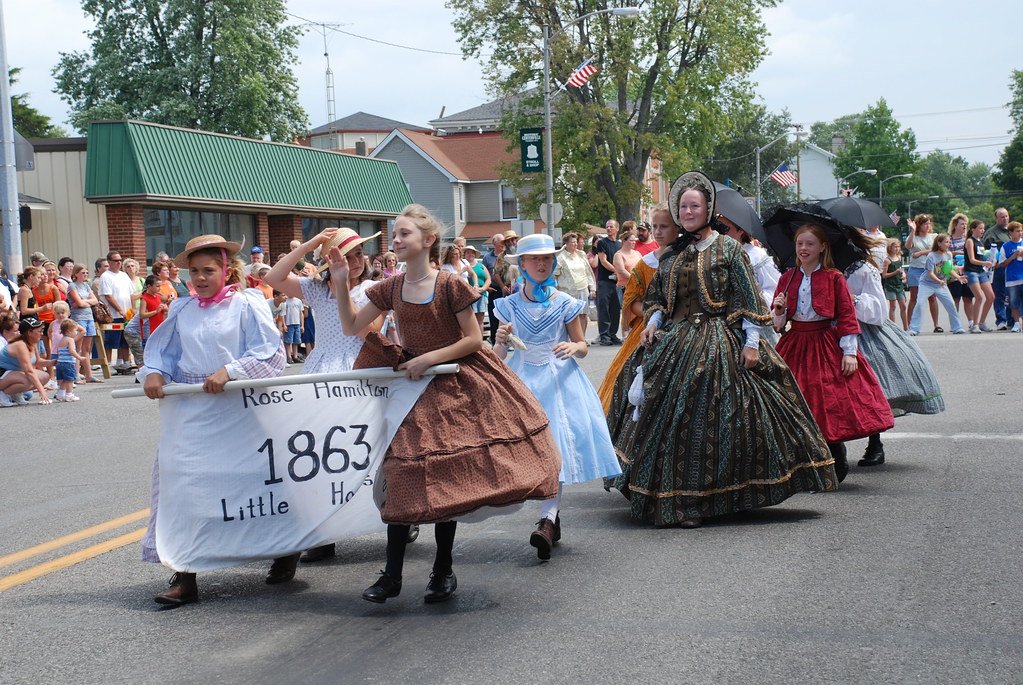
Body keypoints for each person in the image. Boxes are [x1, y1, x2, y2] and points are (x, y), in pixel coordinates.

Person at [328, 203, 560, 604]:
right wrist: (336, 282)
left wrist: (429, 358)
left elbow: (473, 339)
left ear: (428, 240)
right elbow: (351, 326)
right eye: (394, 234)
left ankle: (442, 570)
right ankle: (392, 575)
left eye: (404, 234)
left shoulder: (450, 284)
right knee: (403, 476)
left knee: (448, 479)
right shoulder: (390, 287)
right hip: (411, 392)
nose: (396, 240)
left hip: (453, 384)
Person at [614, 173, 837, 527]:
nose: (688, 212)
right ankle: (677, 500)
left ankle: (713, 499)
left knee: (714, 418)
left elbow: (746, 298)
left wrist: (752, 344)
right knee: (665, 416)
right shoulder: (673, 253)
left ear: (708, 210)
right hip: (675, 341)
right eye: (683, 206)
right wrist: (653, 324)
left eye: (694, 206)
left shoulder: (729, 248)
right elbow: (658, 299)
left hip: (719, 338)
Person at [140, 234, 296, 606]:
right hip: (195, 408)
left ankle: (286, 547)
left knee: (256, 480)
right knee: (185, 481)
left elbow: (271, 353)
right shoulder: (182, 310)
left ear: (226, 270)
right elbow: (164, 353)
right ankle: (185, 572)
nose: (200, 278)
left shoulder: (246, 304)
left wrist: (231, 370)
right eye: (193, 271)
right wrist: (153, 373)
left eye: (208, 270)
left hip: (240, 407)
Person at [492, 233, 619, 559]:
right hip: (523, 383)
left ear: (553, 264)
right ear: (521, 265)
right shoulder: (507, 306)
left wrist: (572, 346)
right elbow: (498, 355)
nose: (540, 264)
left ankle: (547, 518)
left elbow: (582, 346)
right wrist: (502, 339)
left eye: (546, 259)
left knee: (556, 447)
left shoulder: (565, 302)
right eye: (534, 259)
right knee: (528, 454)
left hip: (558, 381)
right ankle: (551, 515)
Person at [264, 225, 387, 562]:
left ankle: (387, 515)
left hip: (359, 369)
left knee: (363, 448)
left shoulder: (373, 290)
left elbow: (367, 332)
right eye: (346, 255)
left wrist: (344, 283)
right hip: (320, 369)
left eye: (359, 253)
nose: (356, 260)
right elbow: (274, 278)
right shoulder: (317, 290)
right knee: (320, 454)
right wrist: (309, 245)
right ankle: (323, 532)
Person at [772, 222, 895, 480]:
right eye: (800, 244)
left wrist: (849, 352)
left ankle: (835, 456)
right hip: (795, 342)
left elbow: (847, 316)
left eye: (810, 244)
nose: (804, 249)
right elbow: (778, 325)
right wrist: (779, 310)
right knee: (795, 401)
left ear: (822, 247)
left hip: (825, 341)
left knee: (827, 400)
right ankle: (805, 462)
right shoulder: (787, 278)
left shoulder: (834, 277)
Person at [841, 229, 945, 467]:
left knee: (875, 385)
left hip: (864, 331)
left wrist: (852, 299)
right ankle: (835, 447)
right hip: (828, 333)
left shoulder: (864, 269)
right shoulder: (821, 268)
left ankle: (875, 442)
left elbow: (877, 312)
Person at [597, 206, 679, 413]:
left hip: (683, 327)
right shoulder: (645, 264)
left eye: (664, 226)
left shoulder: (688, 258)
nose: (658, 232)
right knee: (626, 378)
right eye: (656, 227)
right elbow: (631, 301)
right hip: (646, 329)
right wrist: (656, 313)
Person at [907, 234, 967, 335]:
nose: (948, 244)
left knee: (951, 304)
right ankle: (914, 329)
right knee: (920, 303)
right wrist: (939, 281)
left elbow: (949, 269)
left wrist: (958, 277)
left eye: (949, 242)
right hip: (927, 284)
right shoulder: (931, 256)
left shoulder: (948, 254)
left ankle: (957, 327)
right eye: (946, 242)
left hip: (941, 285)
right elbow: (930, 273)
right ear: (939, 243)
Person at [0, 317, 54, 406]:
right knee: (28, 380)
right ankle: (2, 394)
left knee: (45, 376)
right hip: (2, 373)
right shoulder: (20, 345)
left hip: (11, 373)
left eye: (42, 330)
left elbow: (37, 361)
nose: (42, 333)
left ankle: (14, 394)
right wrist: (42, 392)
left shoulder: (33, 342)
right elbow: (28, 371)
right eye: (39, 331)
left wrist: (54, 362)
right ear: (29, 332)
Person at [552, 231, 596, 334]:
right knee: (571, 315)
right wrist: (556, 290)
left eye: (576, 242)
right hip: (568, 291)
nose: (575, 244)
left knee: (583, 314)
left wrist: (592, 288)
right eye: (573, 242)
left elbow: (588, 272)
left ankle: (582, 337)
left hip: (583, 288)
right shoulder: (560, 257)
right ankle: (572, 336)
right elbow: (555, 275)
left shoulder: (581, 254)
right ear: (566, 244)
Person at [98, 251, 135, 370]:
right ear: (109, 262)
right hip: (113, 315)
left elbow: (131, 293)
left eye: (120, 260)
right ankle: (108, 365)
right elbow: (108, 296)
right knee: (111, 340)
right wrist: (120, 310)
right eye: (116, 260)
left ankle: (125, 362)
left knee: (125, 340)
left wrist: (132, 309)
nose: (119, 262)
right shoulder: (106, 276)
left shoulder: (124, 275)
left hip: (127, 313)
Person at [66, 264, 101, 383]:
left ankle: (89, 375)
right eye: (82, 273)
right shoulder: (72, 286)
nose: (85, 275)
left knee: (87, 348)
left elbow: (95, 300)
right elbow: (78, 303)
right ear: (76, 274)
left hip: (89, 317)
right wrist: (86, 302)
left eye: (86, 273)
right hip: (78, 317)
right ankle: (75, 374)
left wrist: (85, 301)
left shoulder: (86, 285)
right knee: (78, 347)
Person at [905, 215, 940, 332]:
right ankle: (909, 325)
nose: (928, 226)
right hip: (915, 269)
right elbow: (908, 246)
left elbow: (937, 249)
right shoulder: (914, 237)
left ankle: (936, 324)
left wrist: (921, 253)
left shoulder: (934, 237)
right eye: (925, 223)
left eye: (929, 223)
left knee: (932, 297)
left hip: (929, 269)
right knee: (914, 297)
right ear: (919, 225)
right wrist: (913, 231)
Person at [591, 219, 621, 345]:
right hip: (604, 281)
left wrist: (620, 273)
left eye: (611, 227)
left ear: (617, 229)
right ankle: (604, 336)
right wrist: (617, 270)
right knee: (604, 309)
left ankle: (613, 334)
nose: (609, 229)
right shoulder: (602, 243)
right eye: (607, 227)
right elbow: (603, 261)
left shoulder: (619, 244)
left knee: (615, 309)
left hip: (617, 282)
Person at [964, 219, 996, 332]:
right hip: (971, 271)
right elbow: (972, 259)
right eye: (980, 228)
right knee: (979, 297)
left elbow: (982, 257)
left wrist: (991, 261)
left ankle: (982, 322)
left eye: (983, 228)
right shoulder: (970, 241)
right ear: (973, 229)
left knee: (991, 296)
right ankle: (974, 325)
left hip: (981, 271)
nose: (982, 230)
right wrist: (984, 263)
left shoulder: (981, 241)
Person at [984, 208, 1012, 329]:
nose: (1005, 218)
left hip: (1014, 267)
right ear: (996, 218)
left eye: (1006, 216)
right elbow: (986, 251)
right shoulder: (991, 233)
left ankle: (1012, 320)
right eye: (1002, 217)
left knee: (1012, 294)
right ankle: (1001, 320)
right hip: (999, 268)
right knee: (999, 294)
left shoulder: (1013, 230)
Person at [53, 319, 89, 402]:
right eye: (75, 330)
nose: (76, 332)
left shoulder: (62, 340)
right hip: (68, 363)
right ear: (69, 331)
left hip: (60, 363)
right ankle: (69, 394)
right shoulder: (70, 340)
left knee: (64, 380)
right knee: (70, 379)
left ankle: (60, 394)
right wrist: (79, 358)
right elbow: (71, 351)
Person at [997, 221, 1023, 332]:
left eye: (1021, 231)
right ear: (1010, 233)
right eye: (1017, 231)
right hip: (1012, 278)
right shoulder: (1006, 246)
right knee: (1014, 302)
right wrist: (1013, 256)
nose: (1020, 233)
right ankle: (1016, 323)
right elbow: (1002, 264)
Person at [946, 214, 973, 319]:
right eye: (962, 224)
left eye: (966, 224)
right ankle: (955, 322)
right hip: (954, 272)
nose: (964, 226)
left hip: (967, 270)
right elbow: (944, 254)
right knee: (955, 298)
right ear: (955, 226)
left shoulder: (969, 239)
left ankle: (971, 322)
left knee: (968, 298)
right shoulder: (948, 239)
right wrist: (955, 253)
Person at [462, 244, 491, 335]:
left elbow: (488, 279)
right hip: (469, 296)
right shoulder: (463, 266)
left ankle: (480, 342)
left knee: (480, 319)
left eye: (472, 253)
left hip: (482, 295)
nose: (470, 255)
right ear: (465, 255)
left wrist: (483, 289)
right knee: (471, 320)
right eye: (468, 253)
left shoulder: (481, 265)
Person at [882, 239, 909, 329]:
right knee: (893, 306)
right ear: (890, 248)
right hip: (890, 285)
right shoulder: (887, 260)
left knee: (903, 305)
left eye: (898, 246)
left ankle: (906, 327)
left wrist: (904, 275)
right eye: (895, 247)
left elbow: (902, 269)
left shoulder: (899, 257)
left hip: (899, 284)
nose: (897, 248)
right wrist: (895, 272)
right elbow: (884, 275)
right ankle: (894, 327)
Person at [612, 230, 641, 310]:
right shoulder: (618, 255)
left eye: (634, 240)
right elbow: (622, 271)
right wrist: (635, 278)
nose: (634, 242)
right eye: (631, 240)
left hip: (637, 287)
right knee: (627, 310)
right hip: (625, 287)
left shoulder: (637, 253)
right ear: (624, 241)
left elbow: (642, 267)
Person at [282, 291, 304, 364]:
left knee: (296, 341)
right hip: (289, 323)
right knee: (288, 341)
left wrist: (302, 325)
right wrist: (284, 324)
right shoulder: (285, 301)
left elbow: (301, 313)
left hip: (297, 323)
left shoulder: (298, 301)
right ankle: (289, 356)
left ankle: (295, 356)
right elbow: (282, 314)